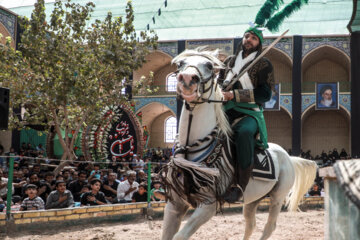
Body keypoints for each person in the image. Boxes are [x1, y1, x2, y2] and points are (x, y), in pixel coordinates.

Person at [218, 26, 274, 201]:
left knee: (244, 133)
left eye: (254, 38)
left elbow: (265, 95)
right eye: (247, 36)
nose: (249, 39)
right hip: (225, 111)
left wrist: (234, 95)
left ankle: (240, 186)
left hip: (249, 113)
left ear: (258, 44)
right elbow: (219, 85)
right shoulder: (228, 62)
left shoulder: (264, 64)